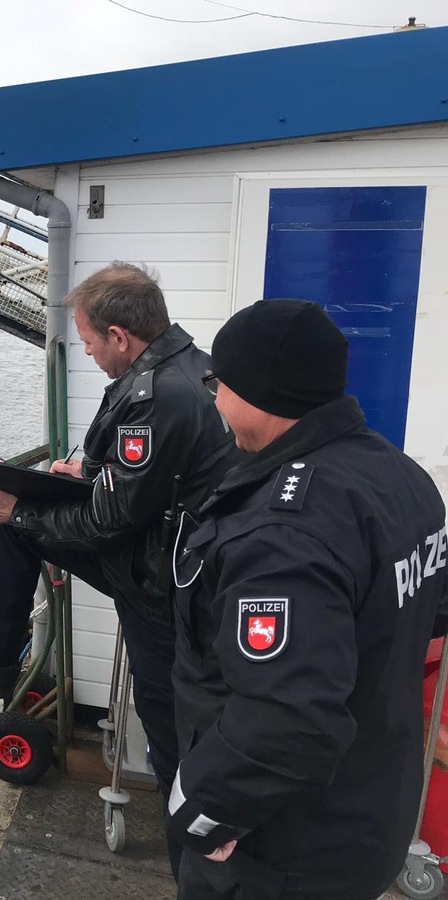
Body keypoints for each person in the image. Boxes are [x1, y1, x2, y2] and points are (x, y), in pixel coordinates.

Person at [0, 262, 236, 874]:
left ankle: (199, 867)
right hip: (173, 555)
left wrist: (22, 506)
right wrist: (85, 477)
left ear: (120, 336)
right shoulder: (192, 369)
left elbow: (106, 524)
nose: (90, 353)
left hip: (162, 584)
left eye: (91, 342)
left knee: (168, 720)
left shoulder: (158, 397)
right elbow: (147, 484)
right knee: (17, 523)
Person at [168, 299, 448, 900]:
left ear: (258, 393)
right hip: (372, 805)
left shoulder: (284, 534)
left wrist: (207, 809)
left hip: (288, 847)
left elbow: (288, 717)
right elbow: (429, 614)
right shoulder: (400, 477)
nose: (215, 401)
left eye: (219, 383)